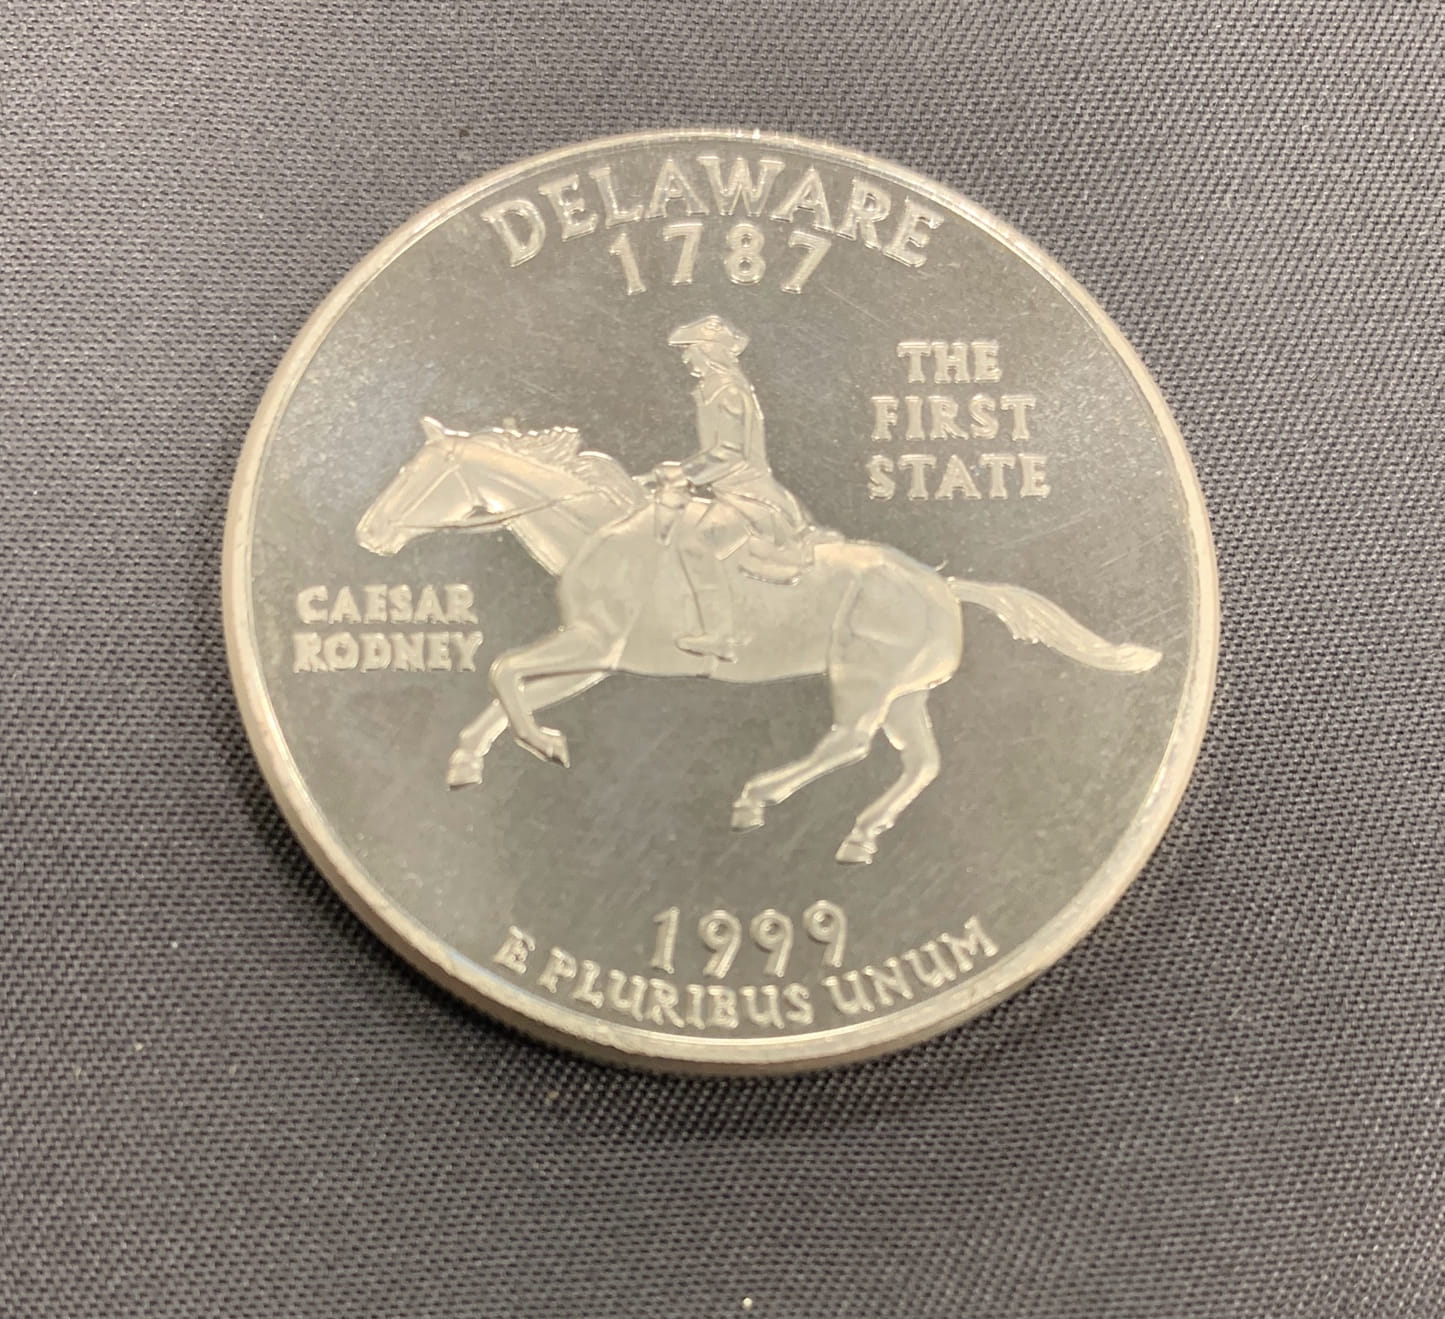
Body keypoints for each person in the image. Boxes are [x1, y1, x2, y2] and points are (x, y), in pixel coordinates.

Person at [656, 315, 817, 662]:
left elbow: (730, 453)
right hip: (729, 489)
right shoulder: (714, 389)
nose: (686, 358)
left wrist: (684, 473)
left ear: (708, 351)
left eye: (690, 350)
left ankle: (720, 636)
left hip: (747, 495)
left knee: (695, 546)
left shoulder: (728, 392)